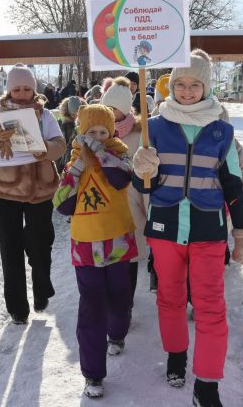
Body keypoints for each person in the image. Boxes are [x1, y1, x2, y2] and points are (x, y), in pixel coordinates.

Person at [132, 49, 243, 407]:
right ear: (171, 85)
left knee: (211, 307)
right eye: (181, 83)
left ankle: (207, 385)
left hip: (207, 230)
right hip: (165, 228)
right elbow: (143, 189)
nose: (187, 91)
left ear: (207, 86)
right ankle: (175, 355)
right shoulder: (152, 128)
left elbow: (234, 186)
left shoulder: (222, 132)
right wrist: (142, 170)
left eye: (195, 84)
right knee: (169, 299)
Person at [53, 104, 137, 399]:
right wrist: (80, 164)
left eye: (103, 132)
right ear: (81, 132)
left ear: (112, 132)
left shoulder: (120, 156)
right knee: (91, 308)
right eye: (91, 133)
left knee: (119, 296)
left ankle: (117, 333)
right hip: (86, 245)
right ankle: (93, 374)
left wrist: (100, 155)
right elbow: (62, 204)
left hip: (117, 241)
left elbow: (121, 179)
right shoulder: (73, 162)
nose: (97, 137)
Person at [0, 64, 67, 325]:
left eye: (27, 88)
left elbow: (60, 146)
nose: (22, 93)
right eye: (17, 88)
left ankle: (41, 289)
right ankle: (17, 307)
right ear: (9, 89)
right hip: (5, 189)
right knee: (10, 248)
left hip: (40, 187)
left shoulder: (45, 115)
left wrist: (44, 150)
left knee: (40, 243)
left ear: (34, 89)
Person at [100, 77, 148, 319]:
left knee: (129, 258)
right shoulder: (98, 134)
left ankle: (125, 307)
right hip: (105, 206)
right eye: (106, 108)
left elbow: (144, 174)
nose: (109, 114)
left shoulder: (139, 136)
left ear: (125, 110)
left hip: (131, 205)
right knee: (109, 257)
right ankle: (114, 303)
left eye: (113, 109)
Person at [56, 96, 85, 173]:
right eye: (73, 114)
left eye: (78, 114)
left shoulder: (84, 122)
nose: (76, 117)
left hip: (80, 156)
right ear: (68, 112)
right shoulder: (62, 123)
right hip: (64, 157)